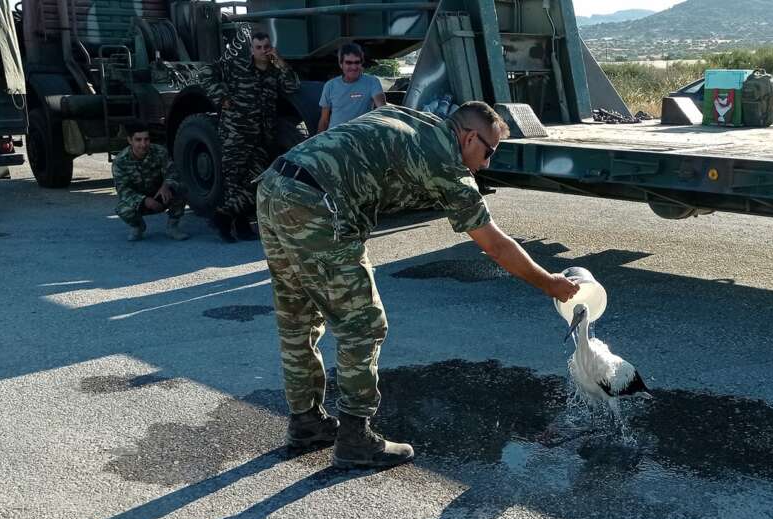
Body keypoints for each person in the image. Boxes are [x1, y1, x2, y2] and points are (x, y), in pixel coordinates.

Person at [255, 101, 580, 468]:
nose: (486, 163)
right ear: (470, 137)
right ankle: (355, 440)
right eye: (488, 152)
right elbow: (497, 246)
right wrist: (549, 283)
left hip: (274, 186)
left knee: (298, 316)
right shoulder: (445, 165)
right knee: (363, 324)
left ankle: (306, 423)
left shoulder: (417, 120)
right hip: (318, 203)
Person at [201, 31, 299, 243]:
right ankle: (237, 227)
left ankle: (223, 216)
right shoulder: (235, 66)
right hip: (236, 133)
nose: (263, 51)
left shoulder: (275, 71)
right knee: (233, 181)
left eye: (266, 46)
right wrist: (221, 97)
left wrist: (280, 62)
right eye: (259, 47)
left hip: (262, 137)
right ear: (251, 49)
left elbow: (292, 85)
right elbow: (205, 72)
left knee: (255, 181)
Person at [112, 120, 188, 241]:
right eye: (138, 140)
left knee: (182, 187)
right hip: (140, 200)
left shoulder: (159, 152)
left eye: (146, 139)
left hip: (161, 195)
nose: (143, 144)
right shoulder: (120, 162)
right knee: (122, 209)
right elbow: (123, 191)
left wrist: (166, 185)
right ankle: (138, 227)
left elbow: (172, 171)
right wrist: (145, 200)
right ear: (130, 140)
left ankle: (173, 226)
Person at [316, 43, 386, 133]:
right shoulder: (330, 86)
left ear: (361, 63)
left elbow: (382, 108)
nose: (354, 67)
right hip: (335, 137)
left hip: (360, 136)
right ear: (341, 64)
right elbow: (324, 120)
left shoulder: (372, 82)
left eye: (357, 62)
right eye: (349, 63)